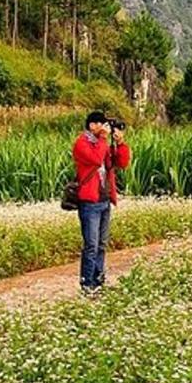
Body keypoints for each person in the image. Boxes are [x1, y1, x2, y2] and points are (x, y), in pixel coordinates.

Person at [72, 111, 131, 296]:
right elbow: (96, 160)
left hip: (104, 200)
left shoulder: (103, 144)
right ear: (92, 126)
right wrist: (104, 140)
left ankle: (98, 282)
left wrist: (120, 143)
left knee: (102, 244)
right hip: (89, 202)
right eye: (101, 124)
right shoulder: (82, 143)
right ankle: (87, 284)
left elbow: (121, 163)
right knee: (91, 245)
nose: (104, 128)